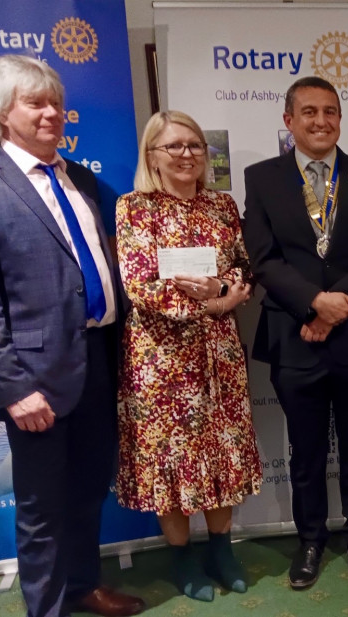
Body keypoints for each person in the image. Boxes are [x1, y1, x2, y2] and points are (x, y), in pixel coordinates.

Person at [0, 55, 145, 617]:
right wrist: (14, 388)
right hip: (34, 379)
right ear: (1, 112)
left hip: (98, 359)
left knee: (90, 487)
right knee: (43, 509)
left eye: (54, 103)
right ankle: (47, 610)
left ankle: (83, 587)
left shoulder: (82, 179)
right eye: (33, 103)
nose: (50, 114)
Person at [243, 76, 348, 588]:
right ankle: (310, 541)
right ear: (289, 120)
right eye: (309, 111)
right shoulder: (262, 178)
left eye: (330, 111)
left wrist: (334, 308)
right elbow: (263, 259)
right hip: (295, 337)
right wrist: (313, 303)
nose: (321, 121)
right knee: (305, 453)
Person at [114, 110, 261, 601]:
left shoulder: (222, 206)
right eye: (173, 146)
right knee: (171, 462)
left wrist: (224, 290)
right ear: (151, 155)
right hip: (159, 362)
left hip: (218, 357)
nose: (186, 155)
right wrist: (215, 303)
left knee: (222, 453)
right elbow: (140, 286)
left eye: (195, 145)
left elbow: (244, 271)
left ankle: (222, 550)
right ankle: (182, 558)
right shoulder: (133, 208)